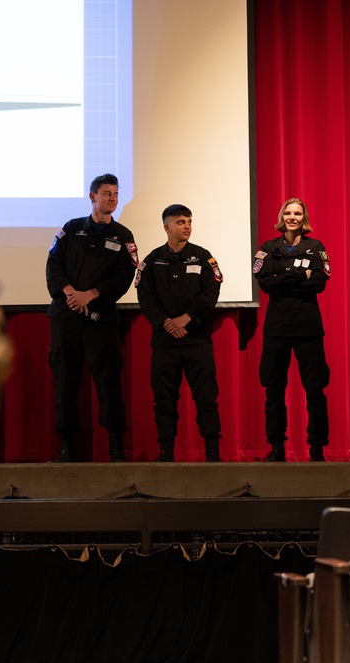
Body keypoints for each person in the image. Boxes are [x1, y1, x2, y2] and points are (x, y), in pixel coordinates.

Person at [46, 174, 138, 462]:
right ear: (92, 197)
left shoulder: (123, 236)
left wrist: (92, 295)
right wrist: (72, 293)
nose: (112, 198)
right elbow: (53, 264)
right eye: (106, 193)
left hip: (101, 318)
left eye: (115, 194)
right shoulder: (71, 229)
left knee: (108, 381)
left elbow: (125, 276)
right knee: (66, 382)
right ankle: (66, 448)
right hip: (66, 315)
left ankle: (115, 447)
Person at [135, 204, 224, 462]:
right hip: (165, 340)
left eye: (189, 221)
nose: (187, 226)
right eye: (181, 222)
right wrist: (166, 322)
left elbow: (211, 292)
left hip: (196, 338)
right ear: (167, 227)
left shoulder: (204, 257)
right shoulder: (151, 261)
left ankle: (212, 453)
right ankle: (165, 452)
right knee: (164, 400)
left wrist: (186, 319)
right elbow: (145, 296)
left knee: (206, 397)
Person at [253, 197, 332, 462]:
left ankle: (317, 448)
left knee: (315, 390)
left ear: (303, 218)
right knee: (273, 391)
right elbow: (266, 283)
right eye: (288, 212)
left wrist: (283, 278)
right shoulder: (268, 247)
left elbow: (320, 282)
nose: (292, 217)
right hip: (276, 329)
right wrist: (302, 275)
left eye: (297, 213)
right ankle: (277, 447)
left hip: (308, 327)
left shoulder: (316, 247)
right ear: (282, 217)